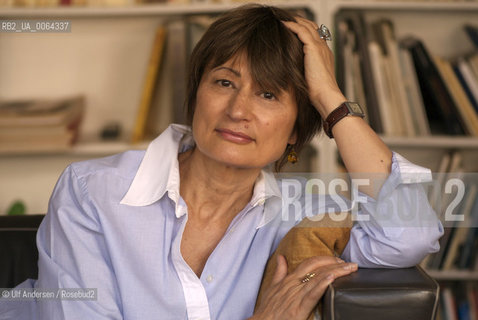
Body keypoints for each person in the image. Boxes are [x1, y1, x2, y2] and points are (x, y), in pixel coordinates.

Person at [0, 4, 443, 320]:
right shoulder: (91, 191)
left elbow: (409, 233)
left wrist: (331, 100)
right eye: (224, 82)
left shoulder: (302, 216)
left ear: (295, 130)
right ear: (196, 94)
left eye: (268, 94)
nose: (238, 110)